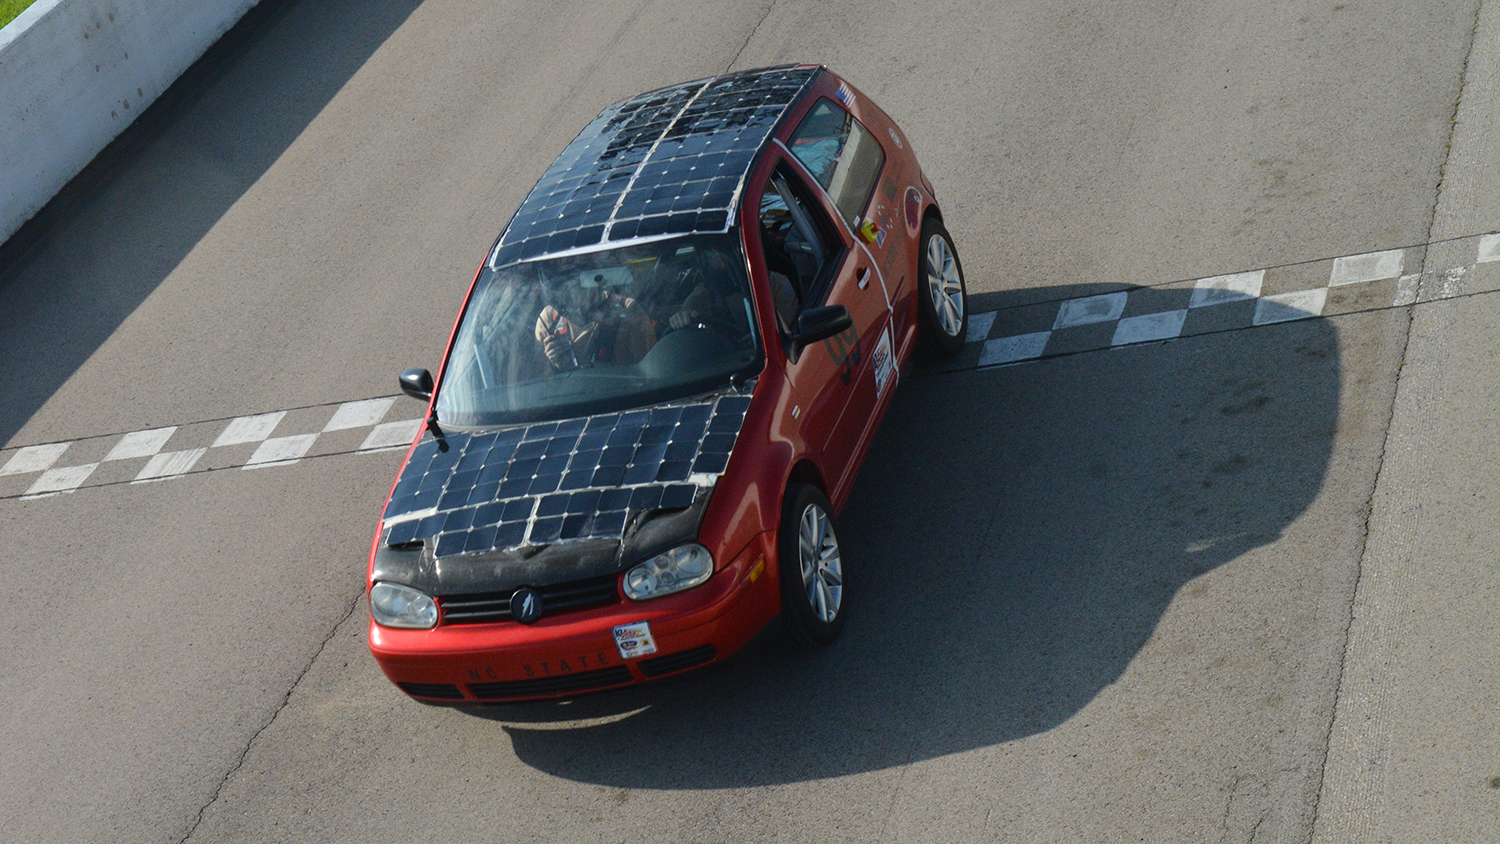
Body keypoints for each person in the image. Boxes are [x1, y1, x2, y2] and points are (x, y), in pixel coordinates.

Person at [534, 275, 656, 370]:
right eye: (565, 294)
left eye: (578, 289)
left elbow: (650, 373)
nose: (572, 303)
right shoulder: (549, 320)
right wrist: (553, 365)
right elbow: (538, 385)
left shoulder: (628, 311)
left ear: (595, 285)